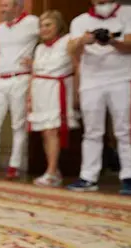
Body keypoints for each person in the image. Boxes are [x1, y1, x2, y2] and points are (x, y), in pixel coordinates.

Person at [67, 0, 131, 195]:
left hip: (121, 78)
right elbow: (71, 51)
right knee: (91, 131)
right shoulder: (80, 21)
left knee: (124, 130)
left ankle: (129, 176)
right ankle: (88, 177)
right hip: (91, 81)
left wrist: (112, 40)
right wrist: (83, 40)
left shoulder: (130, 12)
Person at [0, 0, 39, 178]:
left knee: (18, 124)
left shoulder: (32, 22)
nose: (2, 10)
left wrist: (35, 60)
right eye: (1, 6)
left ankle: (14, 165)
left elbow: (48, 37)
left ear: (18, 7)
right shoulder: (1, 28)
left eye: (6, 6)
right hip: (0, 80)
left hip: (20, 77)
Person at [28, 10, 80, 187]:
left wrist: (77, 92)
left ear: (58, 25)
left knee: (52, 131)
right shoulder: (39, 48)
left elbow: (76, 65)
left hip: (57, 90)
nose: (44, 29)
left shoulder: (68, 41)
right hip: (40, 91)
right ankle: (53, 170)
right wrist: (29, 98)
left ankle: (51, 171)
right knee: (45, 132)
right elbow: (34, 73)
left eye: (48, 25)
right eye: (41, 26)